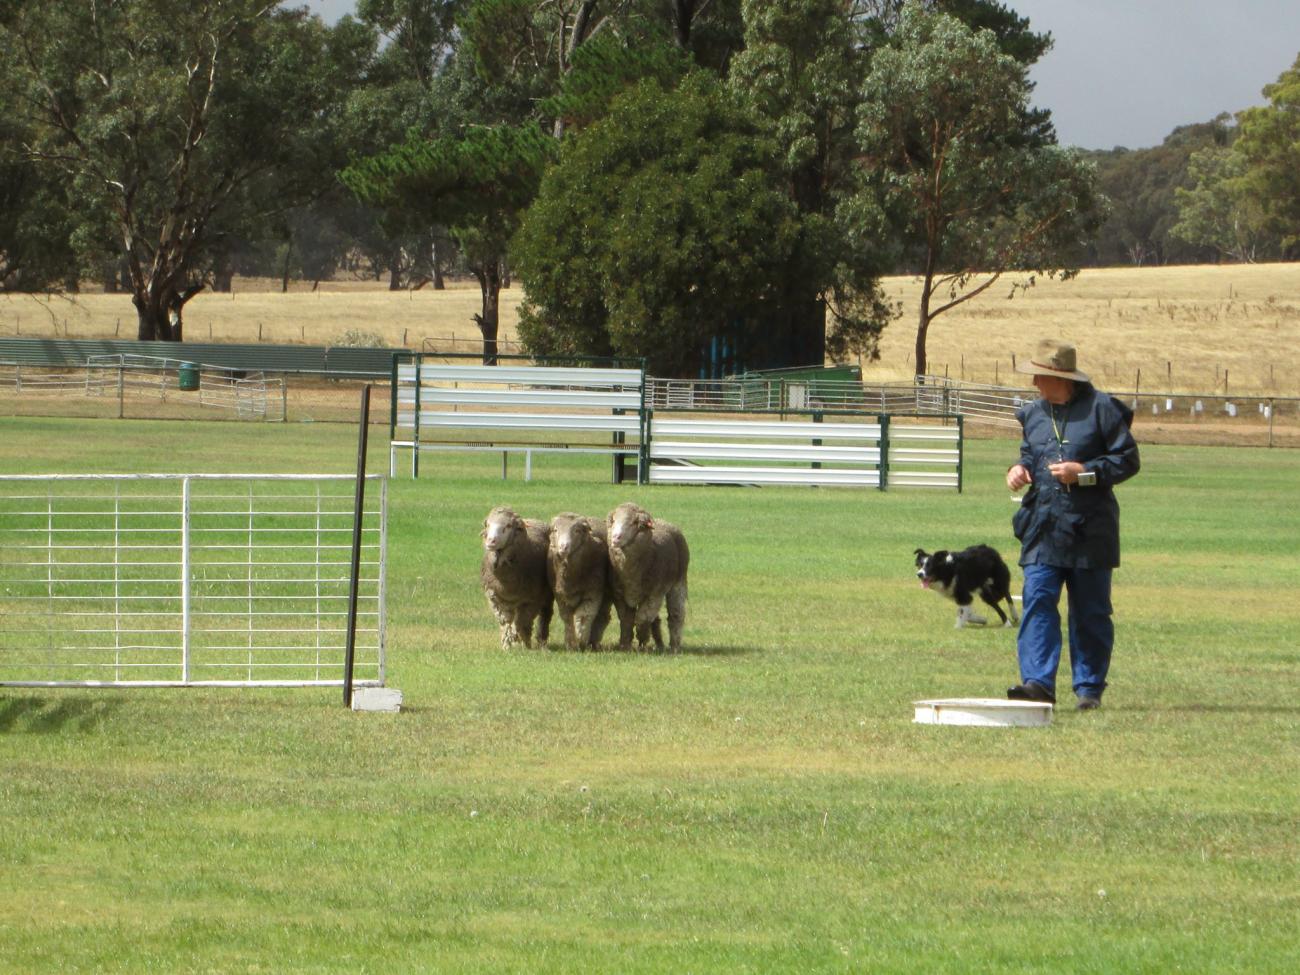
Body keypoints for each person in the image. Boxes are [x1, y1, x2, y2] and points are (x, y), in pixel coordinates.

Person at [1005, 339, 1140, 711]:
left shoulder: (1103, 410)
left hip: (1091, 531)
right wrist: (1019, 470)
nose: (1034, 383)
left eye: (1040, 376)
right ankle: (1038, 684)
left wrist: (1084, 473)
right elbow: (1030, 454)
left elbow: (1127, 461)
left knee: (1090, 611)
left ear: (1061, 378)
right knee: (1038, 600)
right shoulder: (1033, 414)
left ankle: (1089, 689)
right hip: (1043, 526)